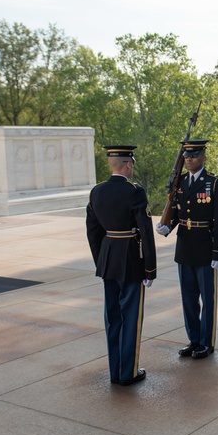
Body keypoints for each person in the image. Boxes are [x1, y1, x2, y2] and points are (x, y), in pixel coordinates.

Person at [86, 144, 158, 385]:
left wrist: (101, 261)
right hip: (130, 260)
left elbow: (93, 232)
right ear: (128, 164)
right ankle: (129, 372)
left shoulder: (97, 191)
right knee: (130, 317)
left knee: (112, 317)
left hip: (108, 260)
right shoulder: (135, 192)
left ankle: (115, 372)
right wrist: (150, 268)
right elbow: (146, 232)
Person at [155, 139, 218, 359]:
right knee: (188, 299)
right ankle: (194, 339)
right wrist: (167, 226)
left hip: (206, 248)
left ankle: (206, 343)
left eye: (194, 156)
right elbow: (178, 213)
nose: (189, 160)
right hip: (185, 247)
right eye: (186, 157)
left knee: (207, 299)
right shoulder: (181, 183)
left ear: (204, 157)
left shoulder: (215, 183)